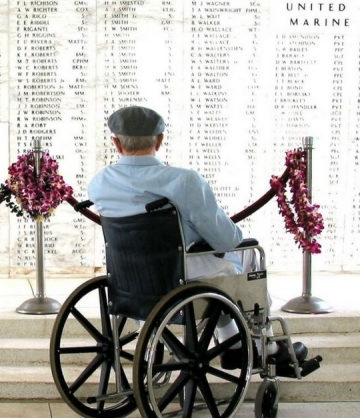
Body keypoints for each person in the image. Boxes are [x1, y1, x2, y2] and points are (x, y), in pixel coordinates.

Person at [88, 105, 306, 370]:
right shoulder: (183, 181)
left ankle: (163, 344)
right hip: (181, 277)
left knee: (225, 264)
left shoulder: (100, 184)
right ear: (159, 140)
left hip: (130, 278)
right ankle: (257, 345)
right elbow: (226, 240)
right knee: (249, 253)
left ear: (116, 143)